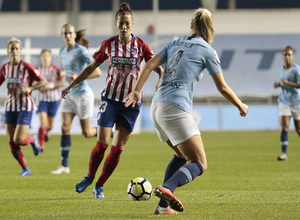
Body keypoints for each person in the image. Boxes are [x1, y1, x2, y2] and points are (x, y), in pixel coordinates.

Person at [124, 8, 249, 215]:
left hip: (156, 107)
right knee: (199, 162)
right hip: (175, 107)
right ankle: (167, 188)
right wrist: (240, 104)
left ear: (191, 26)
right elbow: (222, 87)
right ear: (210, 28)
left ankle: (163, 207)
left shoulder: (175, 43)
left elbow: (148, 65)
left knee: (180, 156)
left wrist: (137, 91)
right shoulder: (208, 50)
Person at [61, 2, 163, 198]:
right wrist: (70, 86)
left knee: (117, 150)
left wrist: (161, 77)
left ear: (132, 23)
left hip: (131, 104)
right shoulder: (108, 44)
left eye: (127, 23)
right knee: (102, 145)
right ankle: (89, 177)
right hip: (110, 99)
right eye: (120, 23)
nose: (124, 27)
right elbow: (91, 68)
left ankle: (99, 186)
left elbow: (155, 65)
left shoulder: (141, 46)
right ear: (116, 24)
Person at [50, 24, 101, 174]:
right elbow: (67, 70)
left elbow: (97, 72)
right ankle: (64, 166)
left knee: (87, 133)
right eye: (65, 33)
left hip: (83, 95)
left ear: (74, 35)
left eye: (70, 33)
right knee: (64, 127)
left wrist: (78, 77)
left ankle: (108, 132)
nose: (67, 35)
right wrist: (61, 75)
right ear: (62, 35)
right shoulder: (61, 51)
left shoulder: (81, 51)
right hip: (68, 94)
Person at [0, 37, 47, 176]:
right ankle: (25, 168)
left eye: (16, 49)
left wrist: (31, 88)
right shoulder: (5, 68)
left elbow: (43, 81)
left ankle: (33, 139)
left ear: (20, 51)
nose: (14, 51)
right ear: (8, 51)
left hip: (25, 106)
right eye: (12, 49)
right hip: (9, 106)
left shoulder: (26, 67)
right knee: (11, 141)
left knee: (19, 139)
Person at [273, 46, 300, 161]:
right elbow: (283, 83)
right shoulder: (281, 70)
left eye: (289, 55)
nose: (287, 57)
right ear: (282, 57)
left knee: (298, 129)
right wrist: (278, 85)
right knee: (285, 126)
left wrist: (288, 83)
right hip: (284, 101)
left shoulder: (296, 70)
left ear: (293, 57)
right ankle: (283, 154)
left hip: (296, 102)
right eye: (285, 55)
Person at [36, 49, 65, 152]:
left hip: (54, 99)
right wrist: (39, 86)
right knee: (43, 122)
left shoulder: (56, 69)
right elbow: (31, 83)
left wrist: (51, 85)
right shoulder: (37, 70)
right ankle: (41, 145)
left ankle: (43, 134)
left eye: (47, 56)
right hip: (42, 99)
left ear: (50, 58)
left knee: (50, 126)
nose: (45, 58)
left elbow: (62, 82)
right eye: (43, 56)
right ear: (41, 57)